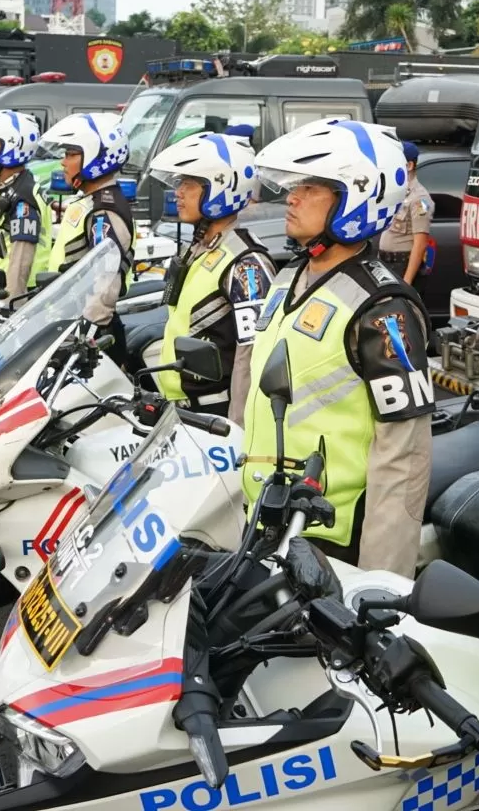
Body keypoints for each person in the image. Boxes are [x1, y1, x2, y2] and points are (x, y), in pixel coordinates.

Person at [237, 119, 433, 578]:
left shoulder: (385, 309)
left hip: (330, 541)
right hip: (270, 520)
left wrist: (381, 583)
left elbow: (404, 460)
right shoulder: (290, 276)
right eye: (294, 186)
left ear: (356, 199)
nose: (293, 197)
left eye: (311, 188)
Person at [146, 131, 277, 419]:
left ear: (222, 188)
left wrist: (239, 429)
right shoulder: (199, 246)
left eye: (189, 184)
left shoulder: (246, 263)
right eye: (179, 183)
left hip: (216, 414)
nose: (178, 192)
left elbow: (251, 354)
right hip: (180, 407)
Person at [39, 113, 136, 365]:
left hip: (91, 337)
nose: (63, 162)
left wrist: (86, 336)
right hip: (71, 325)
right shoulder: (91, 201)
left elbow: (106, 281)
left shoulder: (104, 209)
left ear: (96, 157)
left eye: (71, 154)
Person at [0, 110, 53, 299]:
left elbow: (20, 262)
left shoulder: (23, 197)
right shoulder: (7, 188)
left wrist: (10, 306)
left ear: (13, 148)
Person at [375, 140, 434, 288]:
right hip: (385, 263)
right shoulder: (396, 193)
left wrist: (407, 282)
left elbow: (420, 244)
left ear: (409, 165)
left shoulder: (420, 199)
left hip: (401, 265)